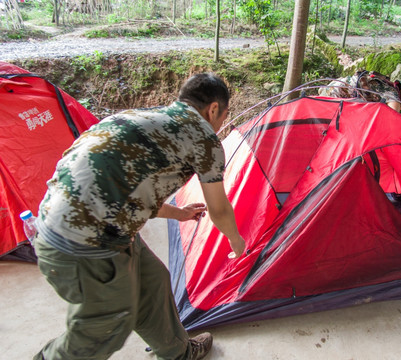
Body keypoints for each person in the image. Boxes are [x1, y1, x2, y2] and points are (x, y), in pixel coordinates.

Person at [33, 73, 246, 360]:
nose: (220, 126)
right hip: (82, 242)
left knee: (153, 280)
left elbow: (127, 188)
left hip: (66, 221)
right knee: (106, 328)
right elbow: (220, 210)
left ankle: (177, 352)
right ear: (213, 109)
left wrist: (178, 214)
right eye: (223, 117)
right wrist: (236, 241)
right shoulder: (203, 136)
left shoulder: (141, 118)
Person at [318, 70, 401, 114]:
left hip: (333, 87)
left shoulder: (388, 87)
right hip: (335, 96)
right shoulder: (394, 99)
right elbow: (391, 122)